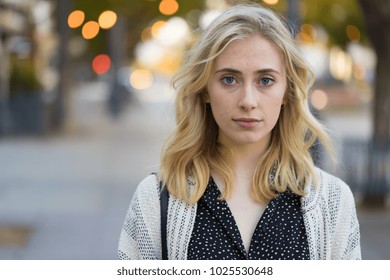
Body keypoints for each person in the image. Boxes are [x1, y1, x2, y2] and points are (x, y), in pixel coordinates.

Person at [118, 3, 361, 260]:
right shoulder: (155, 200)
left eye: (265, 80)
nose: (248, 100)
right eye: (229, 79)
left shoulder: (333, 201)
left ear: (287, 92)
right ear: (205, 91)